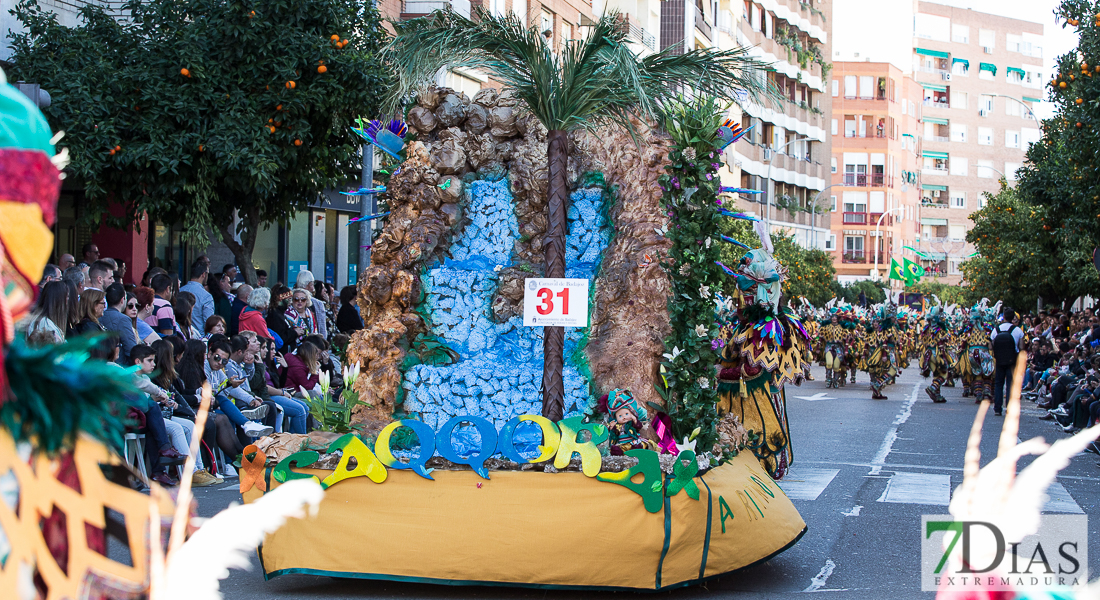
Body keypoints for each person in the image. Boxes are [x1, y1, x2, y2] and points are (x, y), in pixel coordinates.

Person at [148, 339, 222, 487]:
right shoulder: (151, 377)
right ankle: (191, 472)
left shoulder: (165, 376)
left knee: (189, 424)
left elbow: (178, 395)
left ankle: (199, 469)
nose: (177, 358)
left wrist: (193, 397)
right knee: (181, 427)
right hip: (158, 416)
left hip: (166, 414)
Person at [176, 339, 245, 462]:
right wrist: (201, 397)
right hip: (189, 410)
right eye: (204, 353)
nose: (205, 356)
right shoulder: (192, 371)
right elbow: (182, 396)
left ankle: (241, 457)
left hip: (197, 407)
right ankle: (238, 460)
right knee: (217, 419)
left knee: (221, 417)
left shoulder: (196, 369)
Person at [239, 331, 308, 433]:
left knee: (305, 407)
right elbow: (257, 384)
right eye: (265, 348)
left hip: (269, 395)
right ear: (246, 344)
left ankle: (295, 440)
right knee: (299, 410)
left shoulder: (264, 363)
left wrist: (285, 368)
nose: (267, 351)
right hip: (264, 396)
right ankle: (298, 441)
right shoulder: (253, 362)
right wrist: (281, 392)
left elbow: (279, 383)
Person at [204, 338, 273, 438]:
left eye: (224, 361)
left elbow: (231, 388)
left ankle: (249, 428)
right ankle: (247, 424)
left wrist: (250, 399)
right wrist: (230, 386)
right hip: (206, 405)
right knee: (226, 410)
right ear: (210, 353)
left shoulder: (217, 370)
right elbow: (213, 393)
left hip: (217, 403)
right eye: (217, 358)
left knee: (268, 406)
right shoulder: (204, 367)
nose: (220, 363)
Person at [991, 307, 1025, 417]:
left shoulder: (996, 330)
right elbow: (1021, 347)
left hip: (999, 360)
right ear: (1013, 318)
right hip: (1012, 359)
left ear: (1004, 317)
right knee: (1010, 384)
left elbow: (991, 346)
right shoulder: (1017, 330)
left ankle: (997, 408)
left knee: (998, 384)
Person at [99, 283, 138, 365]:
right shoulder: (123, 319)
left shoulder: (99, 316)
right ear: (122, 299)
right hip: (119, 367)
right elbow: (131, 350)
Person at [23, 280, 68, 346]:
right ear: (60, 300)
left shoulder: (38, 319)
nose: (68, 301)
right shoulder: (46, 325)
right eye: (67, 297)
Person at [179, 260, 215, 333]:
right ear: (203, 274)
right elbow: (209, 322)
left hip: (181, 333)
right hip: (199, 337)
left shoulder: (180, 290)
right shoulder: (206, 296)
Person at [294, 270, 328, 338]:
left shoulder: (291, 300)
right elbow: (322, 329)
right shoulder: (318, 304)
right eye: (312, 284)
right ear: (309, 285)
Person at [266, 284, 297, 351]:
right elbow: (281, 336)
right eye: (288, 299)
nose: (291, 302)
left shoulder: (279, 313)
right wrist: (295, 333)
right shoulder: (275, 315)